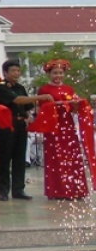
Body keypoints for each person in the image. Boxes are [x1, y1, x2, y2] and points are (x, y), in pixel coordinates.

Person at [0, 59, 50, 201]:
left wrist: (30, 116)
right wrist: (40, 96)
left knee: (19, 158)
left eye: (18, 71)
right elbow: (18, 100)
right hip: (6, 125)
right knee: (5, 157)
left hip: (20, 125)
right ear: (5, 72)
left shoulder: (20, 87)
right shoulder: (1, 87)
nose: (16, 73)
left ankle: (18, 189)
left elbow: (28, 106)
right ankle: (3, 190)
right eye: (13, 71)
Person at [36, 59, 89, 200]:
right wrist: (56, 104)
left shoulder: (69, 89)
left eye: (60, 73)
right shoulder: (44, 90)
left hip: (68, 125)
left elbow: (74, 109)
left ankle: (75, 189)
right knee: (56, 156)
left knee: (72, 156)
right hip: (53, 126)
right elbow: (41, 109)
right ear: (49, 74)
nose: (58, 76)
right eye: (55, 73)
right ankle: (57, 190)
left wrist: (76, 105)